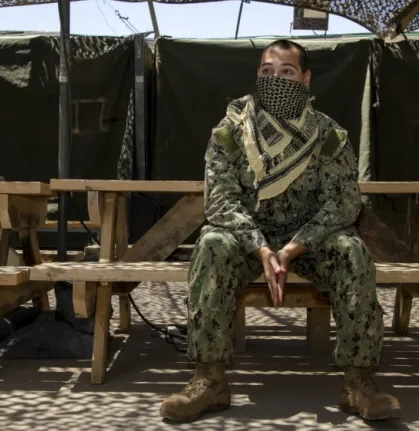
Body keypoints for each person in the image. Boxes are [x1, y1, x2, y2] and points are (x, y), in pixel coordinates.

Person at [159, 39, 401, 423]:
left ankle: (359, 382)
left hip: (308, 240)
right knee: (211, 245)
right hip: (247, 237)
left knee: (352, 250)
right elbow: (221, 201)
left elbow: (342, 204)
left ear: (305, 78)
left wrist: (291, 249)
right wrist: (260, 248)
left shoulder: (328, 136)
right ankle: (209, 380)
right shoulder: (231, 131)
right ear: (258, 75)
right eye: (267, 72)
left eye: (286, 72)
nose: (276, 79)